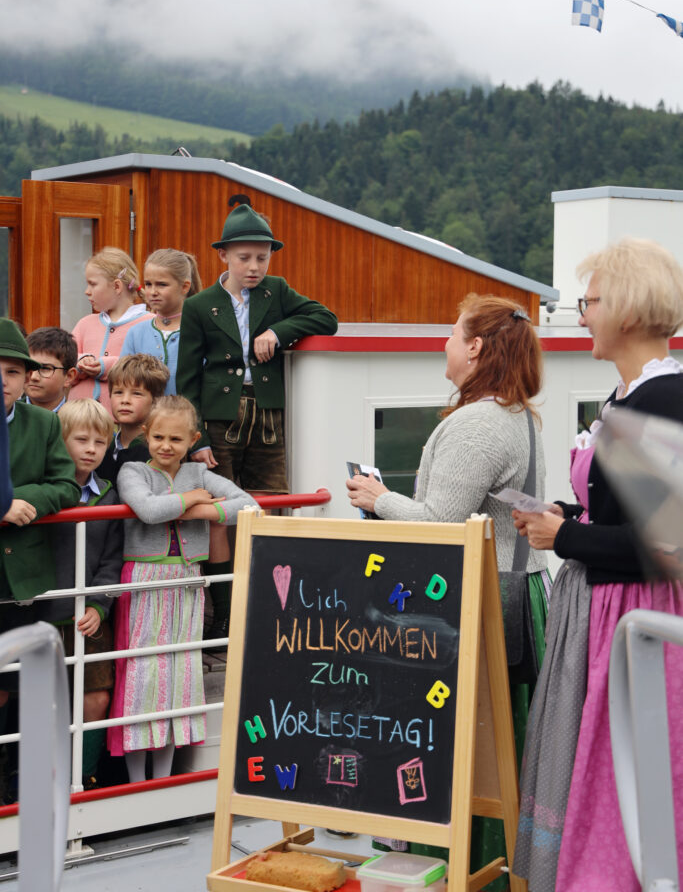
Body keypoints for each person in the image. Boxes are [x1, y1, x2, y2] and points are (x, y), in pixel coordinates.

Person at [346, 293, 549, 884]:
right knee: (507, 752)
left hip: (481, 607)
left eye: (453, 333)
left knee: (466, 752)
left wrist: (377, 498)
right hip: (520, 594)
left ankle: (458, 868)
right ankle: (509, 866)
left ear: (476, 347)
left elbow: (442, 522)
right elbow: (513, 508)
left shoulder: (476, 424)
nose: (445, 343)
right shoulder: (519, 416)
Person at [512, 238, 683, 892]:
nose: (580, 316)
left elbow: (667, 545)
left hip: (638, 618)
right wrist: (569, 515)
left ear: (629, 310)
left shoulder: (663, 401)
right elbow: (630, 512)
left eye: (589, 303)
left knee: (630, 771)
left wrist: (565, 538)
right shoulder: (630, 396)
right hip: (607, 611)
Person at [176, 195, 338, 641]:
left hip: (267, 416)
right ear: (223, 256)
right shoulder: (199, 305)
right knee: (219, 514)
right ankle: (226, 615)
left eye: (262, 258)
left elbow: (326, 319)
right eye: (244, 257)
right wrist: (196, 438)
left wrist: (278, 331)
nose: (254, 267)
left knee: (270, 504)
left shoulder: (277, 291)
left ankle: (270, 607)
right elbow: (186, 377)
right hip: (217, 421)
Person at [108, 395, 257, 782]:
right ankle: (136, 781)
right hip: (144, 581)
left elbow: (249, 505)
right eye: (158, 437)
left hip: (187, 582)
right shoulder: (133, 471)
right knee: (142, 675)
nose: (165, 446)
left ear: (192, 440)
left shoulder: (199, 472)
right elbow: (148, 510)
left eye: (176, 439)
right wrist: (190, 499)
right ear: (146, 434)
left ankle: (163, 777)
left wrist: (205, 510)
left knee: (180, 674)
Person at [43, 399, 123, 789]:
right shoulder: (42, 489)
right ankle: (39, 780)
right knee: (43, 701)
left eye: (100, 442)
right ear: (60, 441)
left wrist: (99, 605)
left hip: (87, 617)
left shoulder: (109, 494)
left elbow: (111, 559)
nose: (91, 449)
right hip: (41, 614)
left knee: (96, 698)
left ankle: (85, 777)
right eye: (81, 439)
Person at [0, 318, 81, 704]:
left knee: (17, 686)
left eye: (12, 372)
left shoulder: (44, 422)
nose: (3, 381)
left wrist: (20, 499)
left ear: (26, 379)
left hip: (24, 579)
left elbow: (67, 487)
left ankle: (18, 748)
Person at [70, 247, 152, 412]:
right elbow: (64, 361)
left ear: (116, 286)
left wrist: (106, 366)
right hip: (76, 418)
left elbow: (149, 369)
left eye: (93, 284)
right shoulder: (85, 324)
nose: (87, 292)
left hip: (121, 418)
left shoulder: (149, 324)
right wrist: (81, 361)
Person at [121, 248, 202, 394]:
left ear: (184, 287)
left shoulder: (201, 332)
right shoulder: (136, 333)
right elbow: (123, 381)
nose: (153, 292)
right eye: (148, 284)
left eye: (162, 284)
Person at [97, 354, 170, 484]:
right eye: (118, 392)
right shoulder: (101, 446)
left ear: (156, 400)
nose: (125, 400)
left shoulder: (160, 452)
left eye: (136, 393)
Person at [25, 327, 79, 411]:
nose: (33, 377)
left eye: (45, 368)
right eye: (29, 366)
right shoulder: (7, 413)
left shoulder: (77, 418)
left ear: (69, 376)